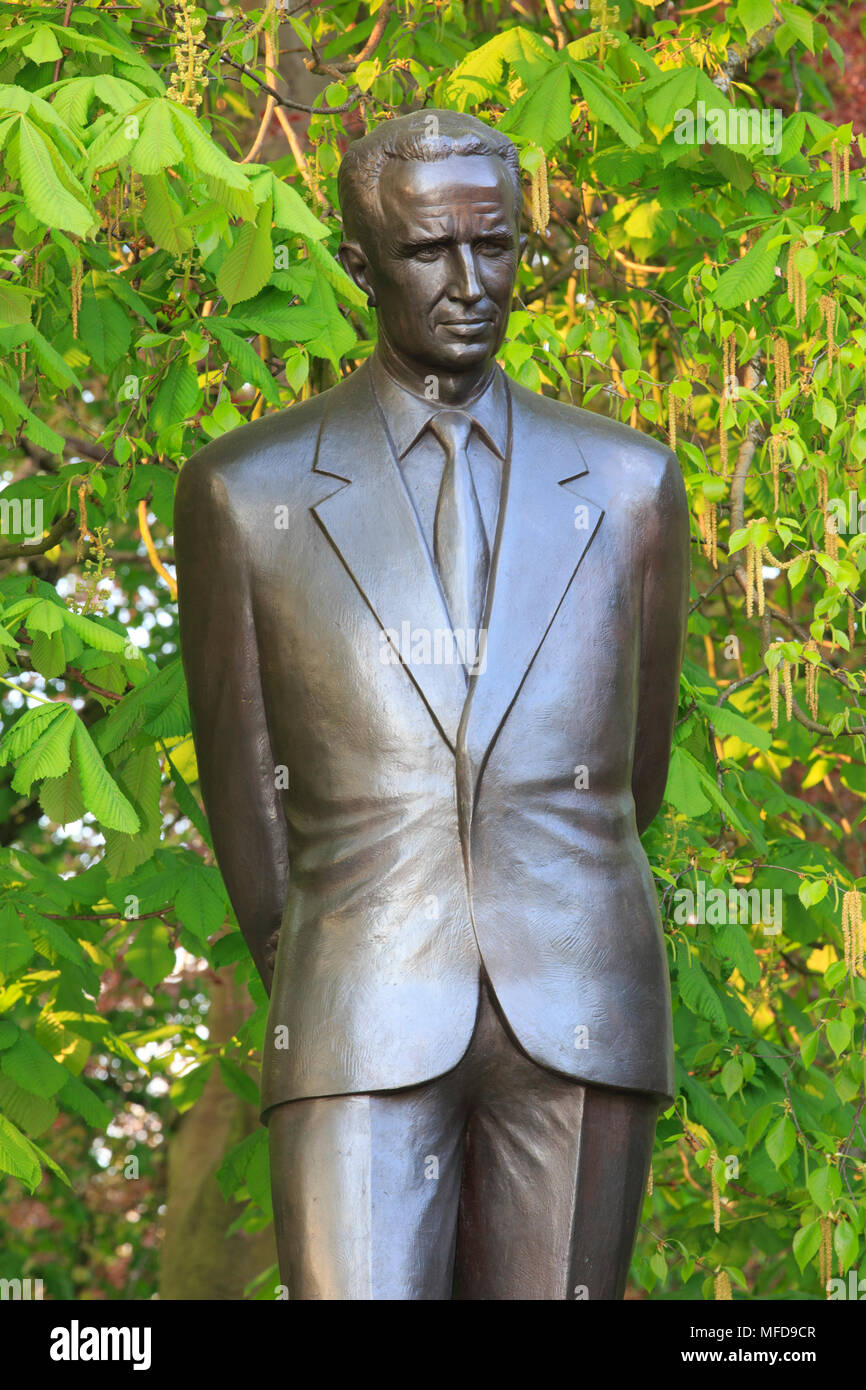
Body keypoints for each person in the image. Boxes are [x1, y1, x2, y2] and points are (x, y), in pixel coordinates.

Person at [174, 109, 690, 1300]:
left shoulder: (627, 485)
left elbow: (630, 774)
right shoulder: (246, 493)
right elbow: (250, 808)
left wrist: (543, 898)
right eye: (425, 254)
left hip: (577, 1000)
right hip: (356, 1000)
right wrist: (334, 956)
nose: (468, 284)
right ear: (359, 266)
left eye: (494, 246)